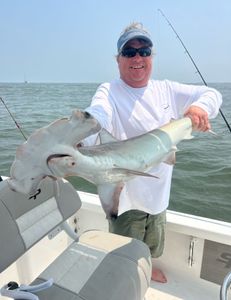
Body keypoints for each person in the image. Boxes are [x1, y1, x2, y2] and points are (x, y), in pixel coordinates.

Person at [83, 22, 222, 283]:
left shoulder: (166, 89)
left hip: (159, 196)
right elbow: (98, 116)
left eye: (144, 51)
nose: (138, 57)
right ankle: (126, 275)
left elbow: (212, 93)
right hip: (125, 199)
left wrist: (199, 108)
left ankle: (146, 266)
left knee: (152, 246)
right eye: (129, 51)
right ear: (118, 59)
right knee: (122, 253)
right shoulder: (109, 91)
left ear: (151, 57)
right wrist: (83, 133)